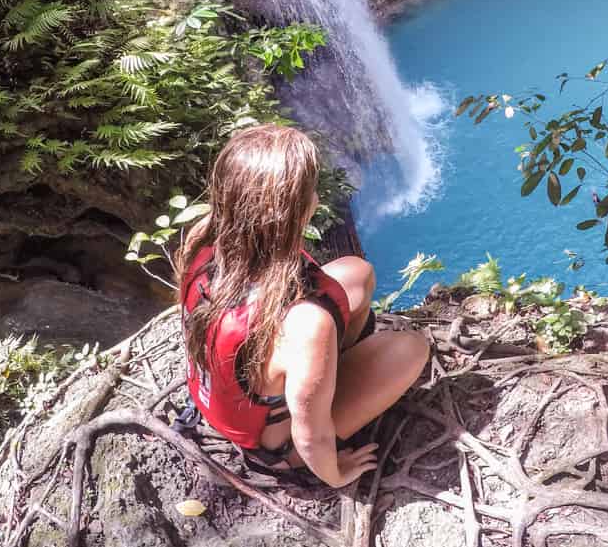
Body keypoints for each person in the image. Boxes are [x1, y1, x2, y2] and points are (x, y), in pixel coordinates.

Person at [177, 124, 430, 487]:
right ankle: (300, 427)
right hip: (279, 444)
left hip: (227, 399)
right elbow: (312, 436)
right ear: (300, 211)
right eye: (311, 190)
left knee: (356, 274)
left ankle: (316, 377)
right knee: (411, 348)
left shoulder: (202, 249)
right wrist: (336, 474)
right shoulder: (306, 323)